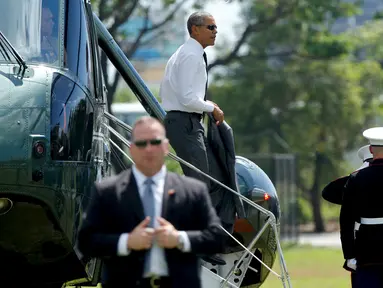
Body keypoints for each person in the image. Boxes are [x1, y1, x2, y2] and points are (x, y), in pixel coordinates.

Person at [77, 116, 224, 288]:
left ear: (166, 146)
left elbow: (217, 239)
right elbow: (86, 242)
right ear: (131, 149)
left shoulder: (193, 191)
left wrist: (179, 238)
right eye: (141, 144)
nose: (148, 149)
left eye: (155, 142)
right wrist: (127, 242)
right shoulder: (107, 192)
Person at [159, 11, 224, 190]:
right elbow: (187, 98)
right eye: (211, 27)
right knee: (199, 184)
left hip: (184, 122)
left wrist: (207, 105)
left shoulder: (186, 52)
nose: (215, 31)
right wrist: (211, 108)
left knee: (203, 180)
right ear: (195, 29)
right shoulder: (191, 55)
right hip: (184, 123)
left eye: (216, 27)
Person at [340, 127, 383, 288]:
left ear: (371, 150)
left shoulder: (356, 178)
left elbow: (346, 220)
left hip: (367, 249)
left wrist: (349, 255)